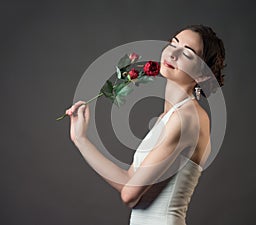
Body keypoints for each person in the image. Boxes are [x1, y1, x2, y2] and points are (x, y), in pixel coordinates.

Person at [65, 24, 226, 225]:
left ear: (203, 75)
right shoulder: (167, 118)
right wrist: (80, 139)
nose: (173, 53)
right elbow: (129, 178)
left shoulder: (186, 119)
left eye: (187, 53)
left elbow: (129, 195)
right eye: (173, 43)